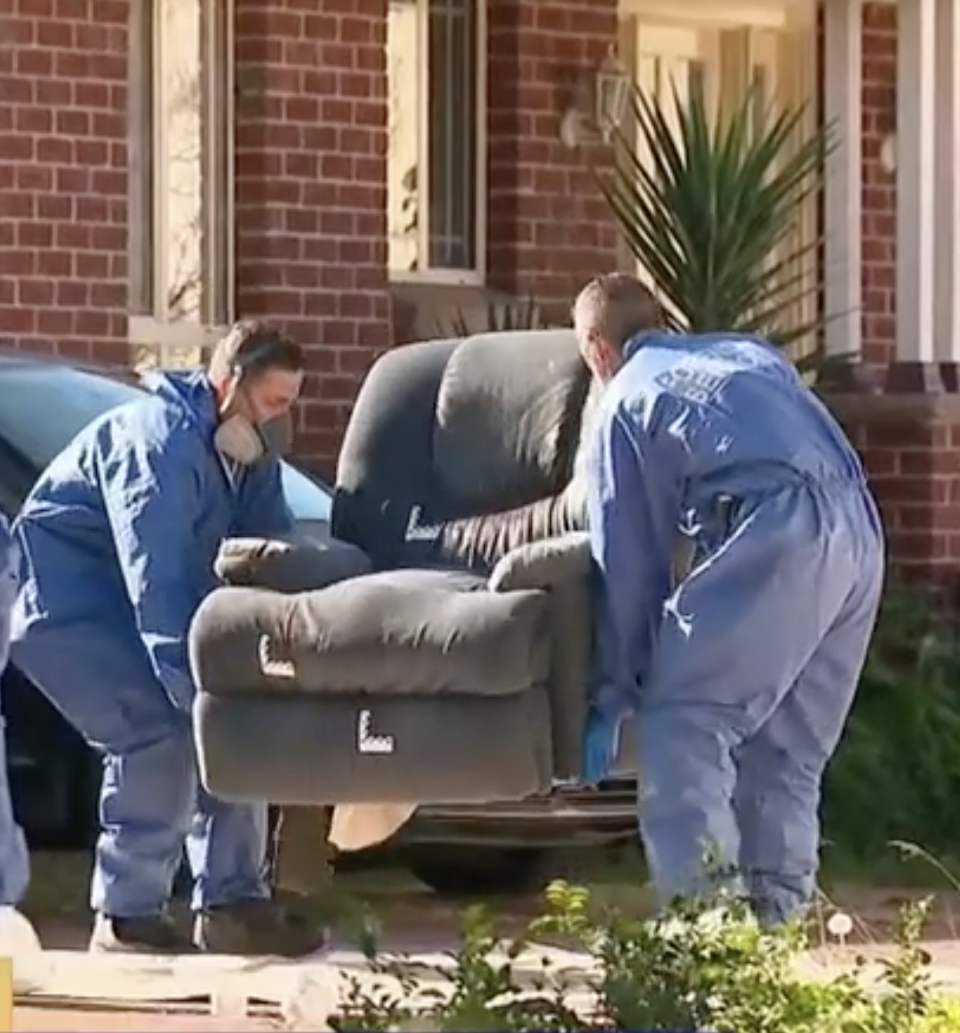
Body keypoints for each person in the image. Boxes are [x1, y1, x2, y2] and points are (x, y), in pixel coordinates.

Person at [573, 273, 885, 926]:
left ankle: (707, 956)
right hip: (858, 525)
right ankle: (771, 958)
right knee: (785, 753)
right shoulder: (749, 352)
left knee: (685, 722)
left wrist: (614, 691)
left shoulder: (626, 398)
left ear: (597, 350)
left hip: (781, 531)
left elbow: (630, 561)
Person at [10, 321, 324, 956]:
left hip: (135, 606)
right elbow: (161, 582)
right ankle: (126, 914)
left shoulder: (246, 455)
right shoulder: (157, 446)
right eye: (273, 402)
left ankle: (232, 903)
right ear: (228, 383)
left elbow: (270, 556)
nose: (280, 419)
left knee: (232, 717)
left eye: (290, 404)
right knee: (158, 728)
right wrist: (196, 690)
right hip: (65, 609)